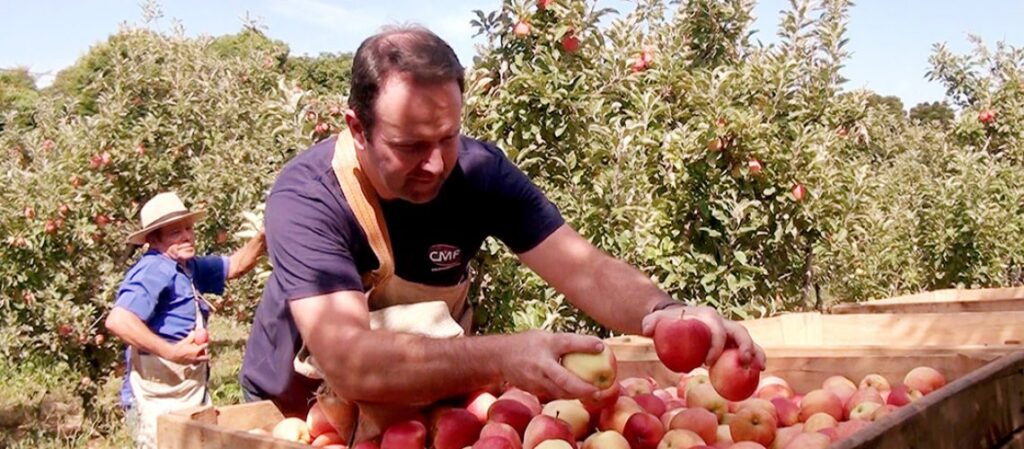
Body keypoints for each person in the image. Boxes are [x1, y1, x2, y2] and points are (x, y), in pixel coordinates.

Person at [239, 25, 765, 438]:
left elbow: (587, 270)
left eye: (447, 136)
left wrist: (667, 314)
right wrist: (502, 357)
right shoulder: (309, 197)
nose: (435, 163)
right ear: (357, 128)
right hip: (298, 418)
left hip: (412, 418)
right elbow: (350, 362)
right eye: (409, 146)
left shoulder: (479, 174)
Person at [104, 191, 266, 448]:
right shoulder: (154, 269)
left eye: (188, 229)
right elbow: (119, 320)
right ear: (154, 240)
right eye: (175, 232)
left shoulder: (189, 267)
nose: (187, 236)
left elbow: (236, 265)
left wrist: (264, 235)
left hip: (188, 390)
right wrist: (171, 351)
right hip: (157, 398)